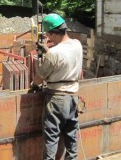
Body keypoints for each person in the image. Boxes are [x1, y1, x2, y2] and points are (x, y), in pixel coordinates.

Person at [31, 13, 83, 160]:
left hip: (56, 100)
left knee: (51, 139)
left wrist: (33, 85)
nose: (48, 38)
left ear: (54, 33)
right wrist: (48, 50)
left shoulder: (54, 53)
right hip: (73, 97)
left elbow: (40, 77)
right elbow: (64, 57)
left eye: (49, 35)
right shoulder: (77, 44)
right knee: (71, 138)